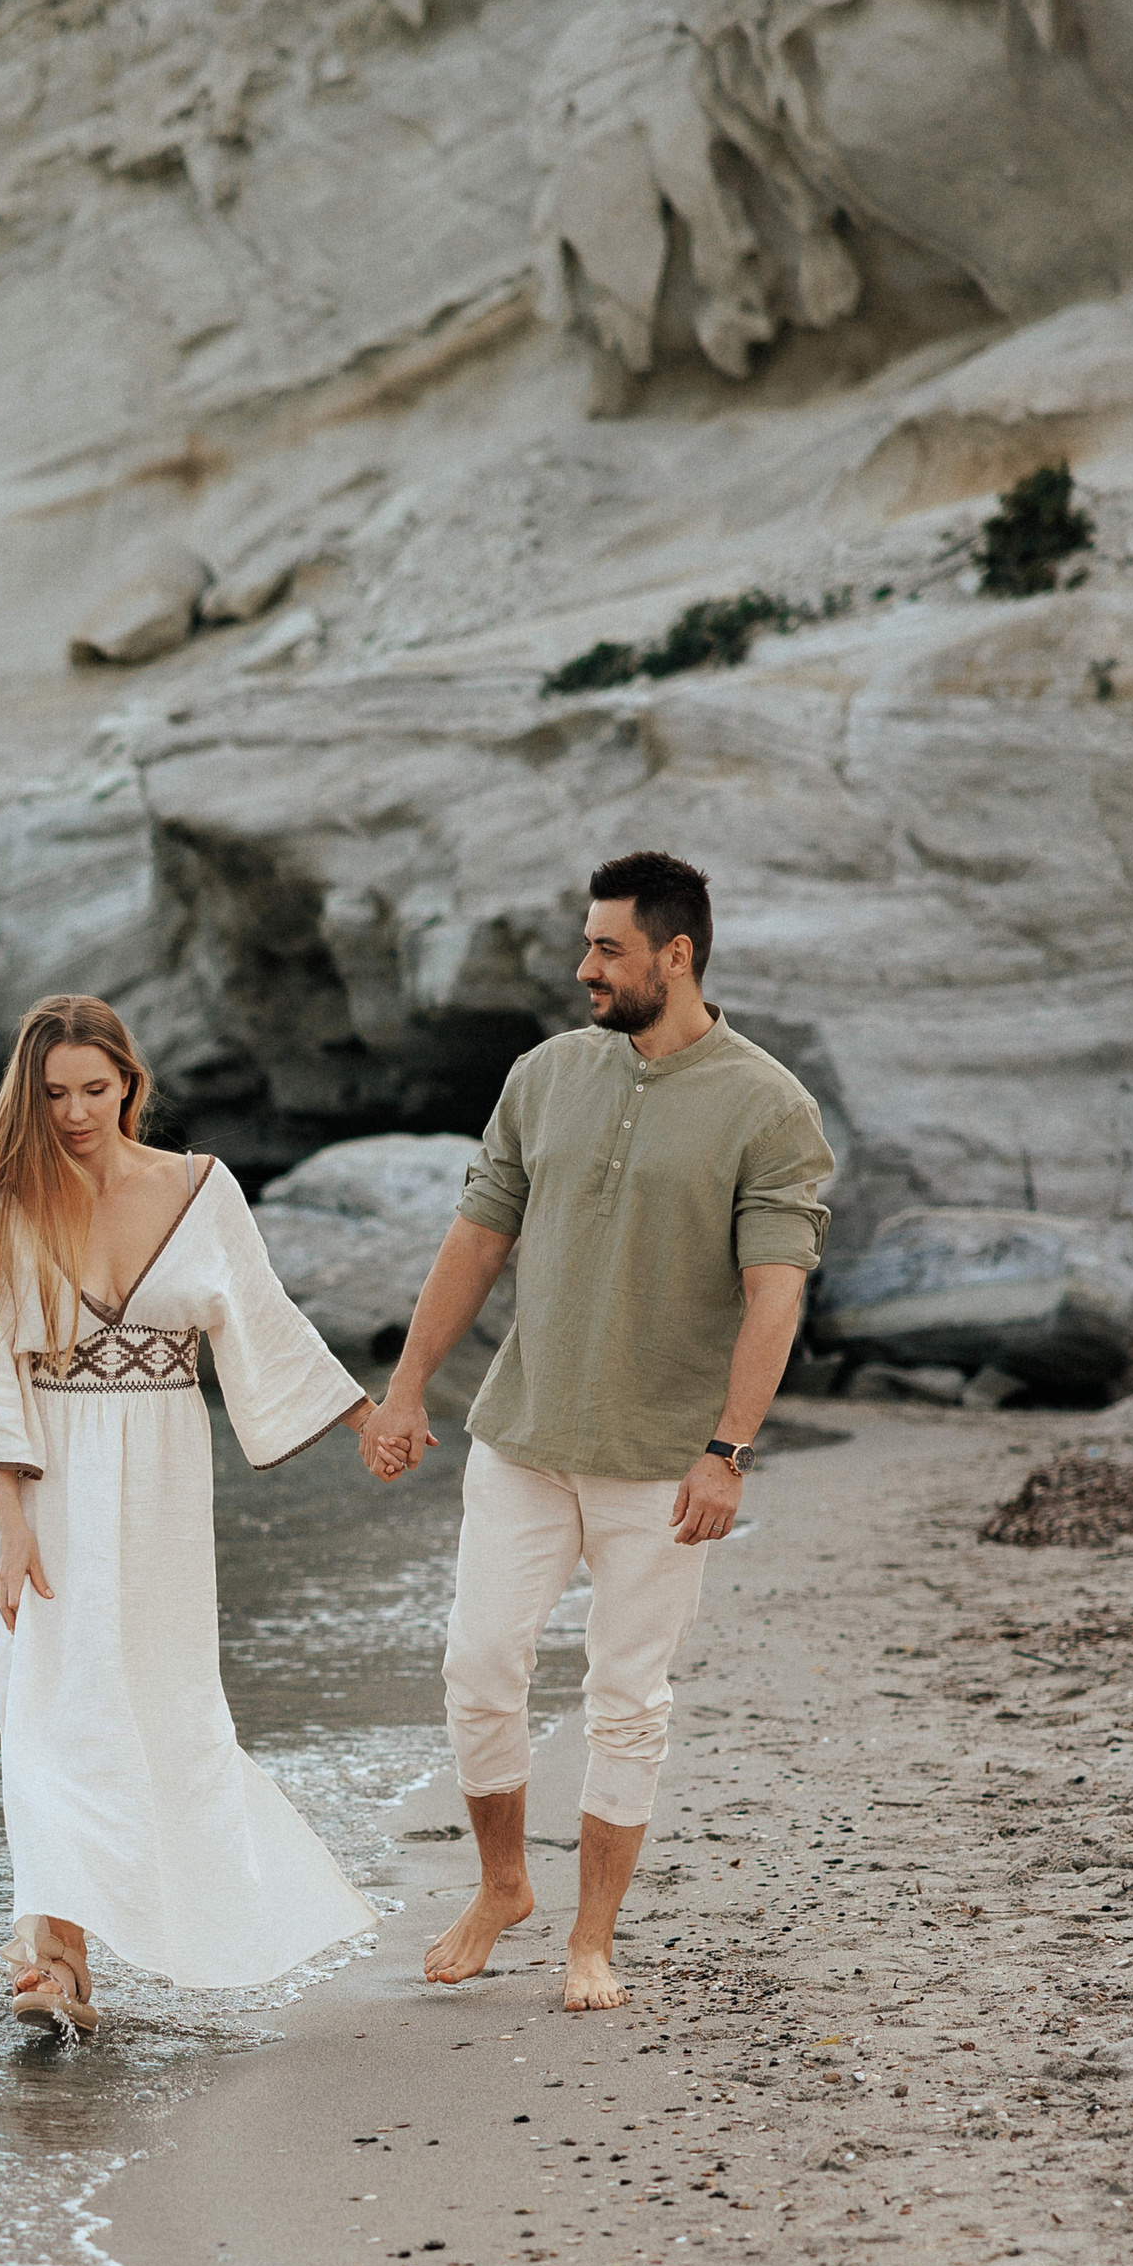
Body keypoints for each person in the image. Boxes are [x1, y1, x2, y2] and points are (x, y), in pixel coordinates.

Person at [365, 849, 832, 2013]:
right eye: (586, 945)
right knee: (478, 1667)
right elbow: (476, 1239)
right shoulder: (544, 1075)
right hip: (522, 1435)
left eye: (606, 948)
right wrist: (406, 1386)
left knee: (627, 1700)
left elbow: (775, 1289)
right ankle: (502, 1886)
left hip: (665, 1465)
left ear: (675, 956)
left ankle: (591, 1942)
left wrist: (727, 1451)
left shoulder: (767, 1104)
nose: (585, 967)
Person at [0, 991, 394, 2034]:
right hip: (46, 1478)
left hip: (163, 1479)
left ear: (130, 1085)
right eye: (53, 1095)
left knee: (157, 1707)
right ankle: (57, 1959)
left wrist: (366, 1416)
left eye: (95, 1089)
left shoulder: (199, 1189)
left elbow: (262, 1322)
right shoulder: (10, 1200)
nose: (76, 1112)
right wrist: (9, 1525)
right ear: (29, 1098)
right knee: (46, 1716)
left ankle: (97, 1947)